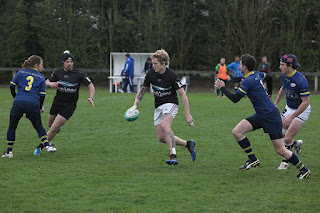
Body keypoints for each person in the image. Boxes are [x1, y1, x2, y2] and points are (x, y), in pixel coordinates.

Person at [214, 54, 311, 179]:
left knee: (280, 150)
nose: (239, 66)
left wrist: (222, 88)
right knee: (237, 132)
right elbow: (269, 78)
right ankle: (253, 159)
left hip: (270, 117)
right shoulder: (258, 74)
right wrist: (270, 94)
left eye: (240, 64)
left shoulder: (248, 80)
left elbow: (235, 99)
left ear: (244, 67)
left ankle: (304, 170)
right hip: (261, 114)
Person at [130, 49, 196, 165]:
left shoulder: (172, 75)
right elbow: (142, 90)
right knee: (161, 138)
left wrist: (187, 114)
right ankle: (188, 144)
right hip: (158, 107)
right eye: (152, 63)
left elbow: (183, 95)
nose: (153, 65)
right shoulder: (150, 74)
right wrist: (135, 105)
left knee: (165, 125)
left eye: (155, 63)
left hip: (171, 104)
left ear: (163, 63)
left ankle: (173, 155)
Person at [34, 50, 95, 154]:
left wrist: (91, 97)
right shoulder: (57, 72)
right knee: (50, 124)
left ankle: (39, 148)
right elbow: (46, 81)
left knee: (54, 127)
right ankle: (54, 131)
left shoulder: (79, 74)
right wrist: (51, 84)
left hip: (69, 106)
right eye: (67, 61)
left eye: (71, 62)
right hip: (57, 102)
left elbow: (90, 85)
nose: (69, 63)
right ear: (63, 62)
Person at [2, 55, 56, 158]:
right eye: (41, 65)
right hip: (32, 103)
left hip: (18, 102)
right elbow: (42, 95)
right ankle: (48, 146)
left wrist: (15, 96)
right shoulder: (40, 77)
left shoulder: (21, 72)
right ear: (36, 65)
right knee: (38, 126)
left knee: (12, 127)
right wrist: (40, 107)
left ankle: (9, 152)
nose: (42, 67)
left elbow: (12, 85)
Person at [274, 54, 311, 170]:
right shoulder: (285, 76)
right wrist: (275, 104)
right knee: (280, 134)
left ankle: (285, 162)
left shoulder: (301, 80)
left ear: (290, 65)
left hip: (302, 110)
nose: (280, 67)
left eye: (282, 65)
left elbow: (305, 102)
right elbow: (283, 88)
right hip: (289, 108)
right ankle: (296, 144)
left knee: (287, 138)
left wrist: (291, 117)